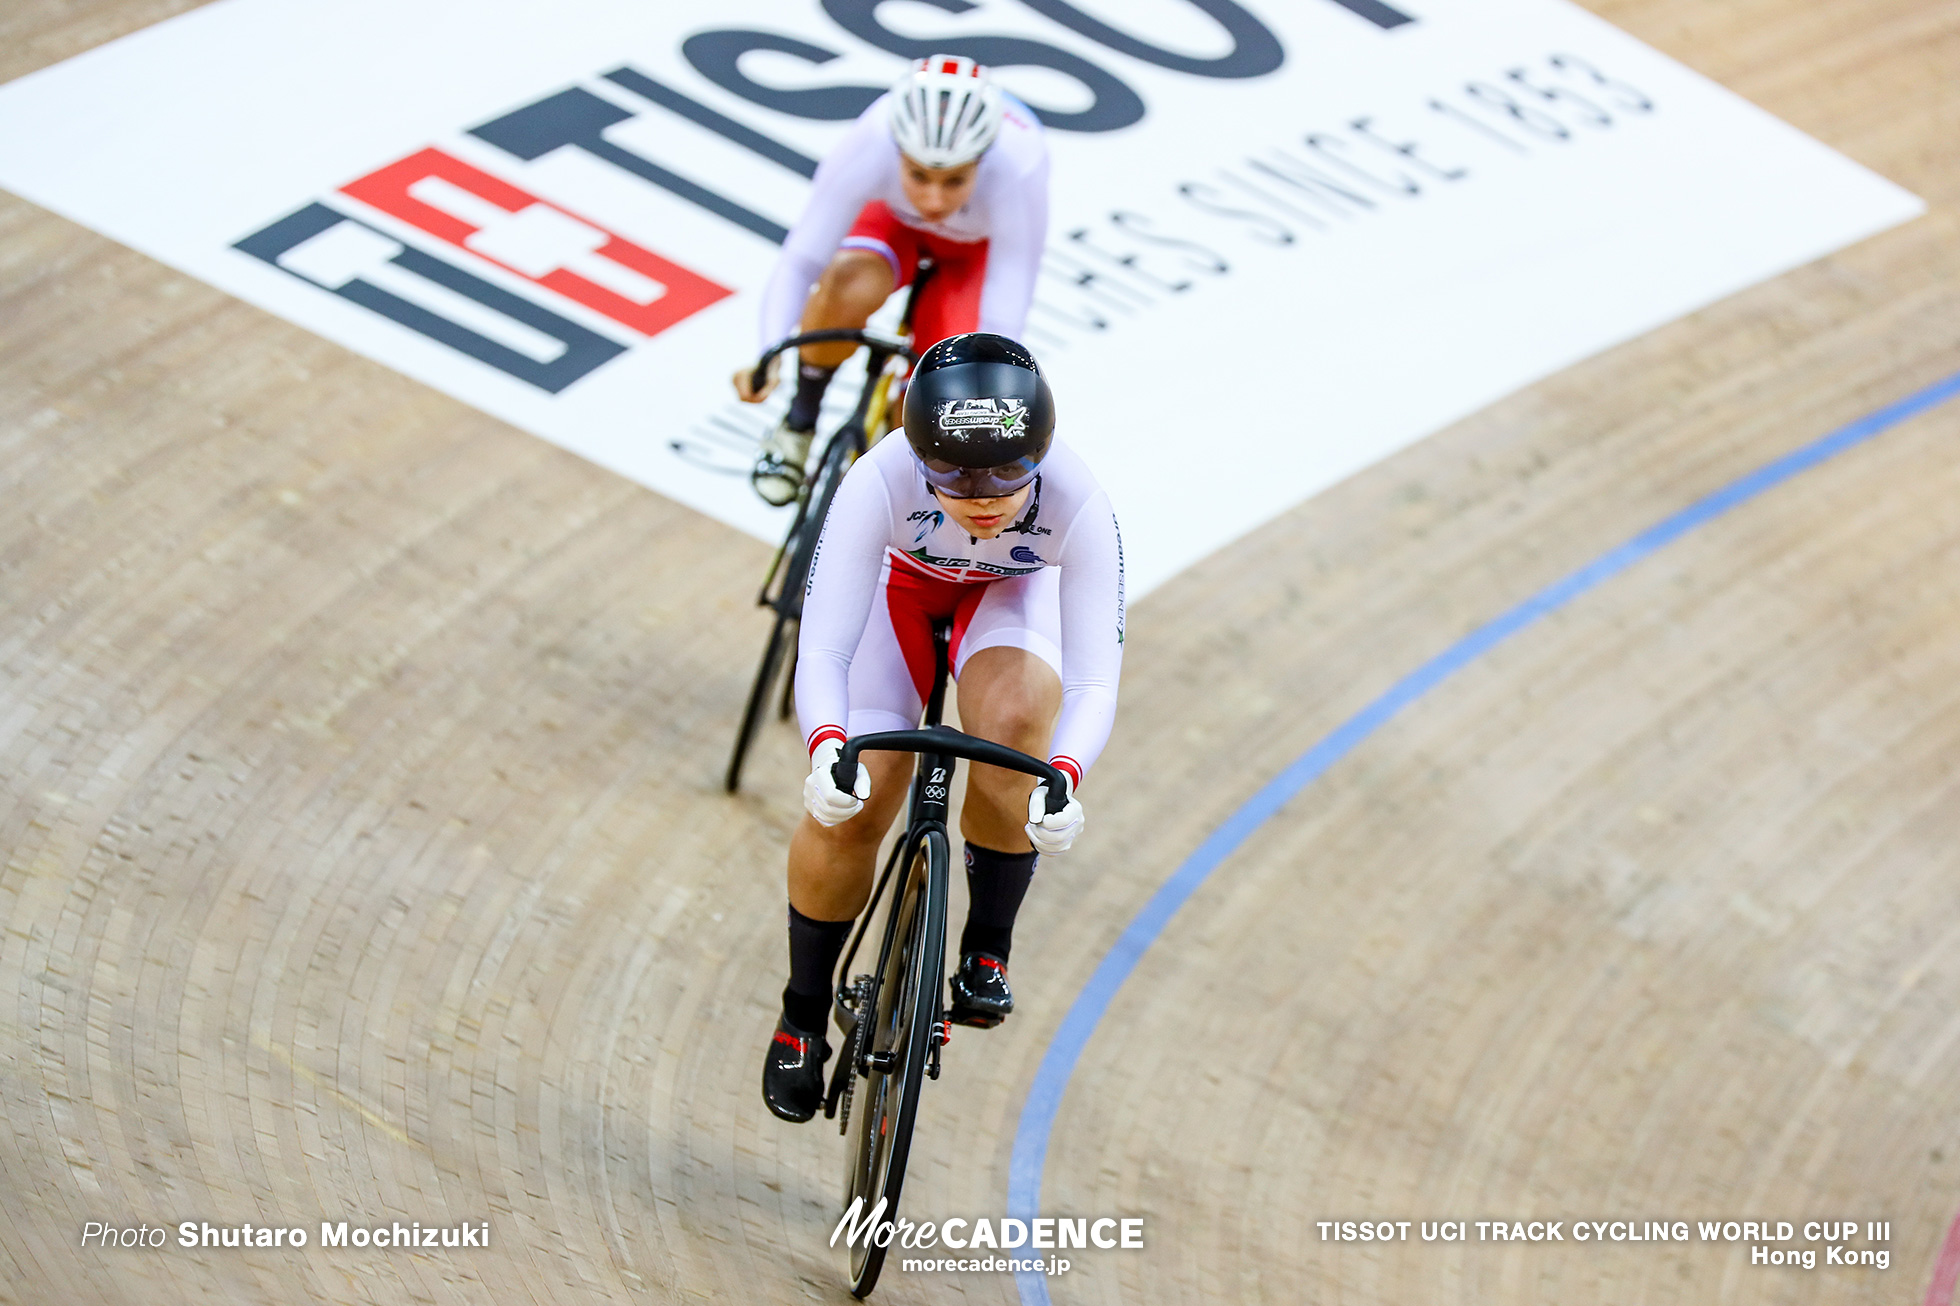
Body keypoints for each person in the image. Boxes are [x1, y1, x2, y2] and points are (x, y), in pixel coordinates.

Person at [761, 333, 1123, 1123]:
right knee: (861, 794)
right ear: (917, 454)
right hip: (897, 592)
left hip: (1006, 598)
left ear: (1044, 451)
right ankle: (801, 1016)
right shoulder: (877, 479)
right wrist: (829, 748)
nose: (985, 494)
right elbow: (822, 646)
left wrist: (1063, 774)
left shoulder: (1080, 499)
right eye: (953, 474)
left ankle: (987, 946)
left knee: (1019, 722)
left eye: (1009, 470)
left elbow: (1096, 679)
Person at [734, 55, 1051, 506]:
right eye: (918, 176)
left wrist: (985, 393)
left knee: (948, 388)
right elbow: (802, 260)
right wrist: (768, 351)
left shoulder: (1020, 165)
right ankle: (798, 422)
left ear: (982, 161)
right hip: (893, 224)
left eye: (956, 180)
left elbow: (1006, 300)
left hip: (971, 254)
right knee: (845, 283)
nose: (933, 200)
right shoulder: (874, 138)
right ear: (898, 152)